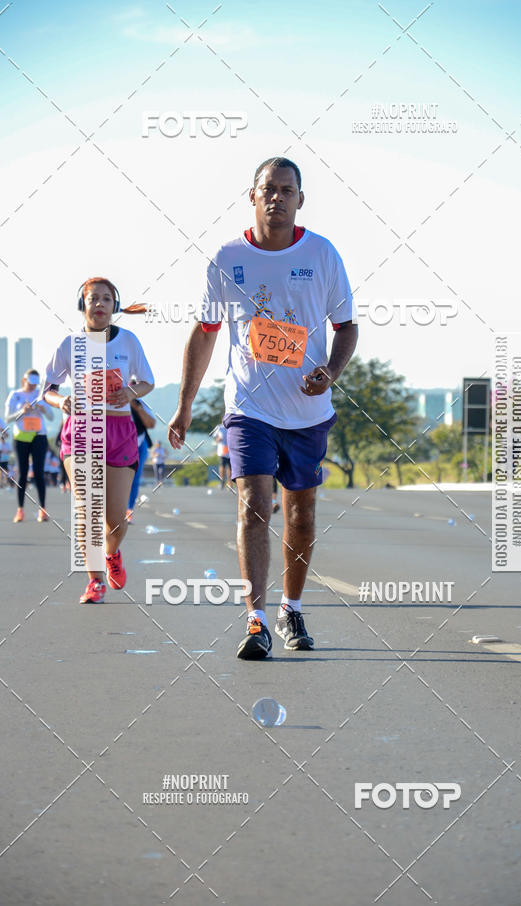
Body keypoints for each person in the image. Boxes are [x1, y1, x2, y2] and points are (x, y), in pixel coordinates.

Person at [169, 156, 357, 659]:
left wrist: (331, 373)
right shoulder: (228, 258)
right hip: (249, 408)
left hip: (307, 412)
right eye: (268, 189)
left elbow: (347, 326)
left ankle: (291, 607)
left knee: (301, 516)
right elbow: (205, 331)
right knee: (255, 505)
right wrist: (185, 404)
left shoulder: (321, 254)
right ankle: (255, 620)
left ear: (301, 199)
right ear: (251, 195)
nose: (277, 198)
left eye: (287, 190)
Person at [44, 276, 154, 604]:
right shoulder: (69, 344)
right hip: (80, 431)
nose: (100, 304)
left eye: (107, 299)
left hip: (119, 432)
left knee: (116, 518)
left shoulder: (129, 341)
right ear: (83, 306)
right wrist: (61, 401)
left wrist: (130, 393)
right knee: (87, 510)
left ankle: (111, 554)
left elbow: (148, 381)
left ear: (114, 306)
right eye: (93, 299)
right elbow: (47, 389)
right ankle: (94, 582)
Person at [5, 369, 54, 522]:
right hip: (21, 438)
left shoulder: (41, 395)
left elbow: (51, 417)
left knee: (39, 473)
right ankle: (20, 510)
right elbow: (7, 419)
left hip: (39, 436)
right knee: (23, 474)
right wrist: (22, 411)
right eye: (30, 383)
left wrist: (43, 408)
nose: (33, 387)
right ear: (24, 380)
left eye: (35, 384)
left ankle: (43, 510)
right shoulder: (15, 395)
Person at [126, 383, 156, 523]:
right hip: (119, 445)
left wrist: (136, 407)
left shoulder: (140, 404)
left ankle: (128, 510)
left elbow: (151, 423)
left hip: (139, 444)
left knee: (134, 479)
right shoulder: (112, 401)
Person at [213, 423, 232, 489]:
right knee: (222, 466)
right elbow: (215, 437)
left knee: (230, 468)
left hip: (231, 451)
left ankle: (229, 483)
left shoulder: (231, 427)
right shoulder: (219, 428)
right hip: (222, 451)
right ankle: (222, 481)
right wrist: (218, 439)